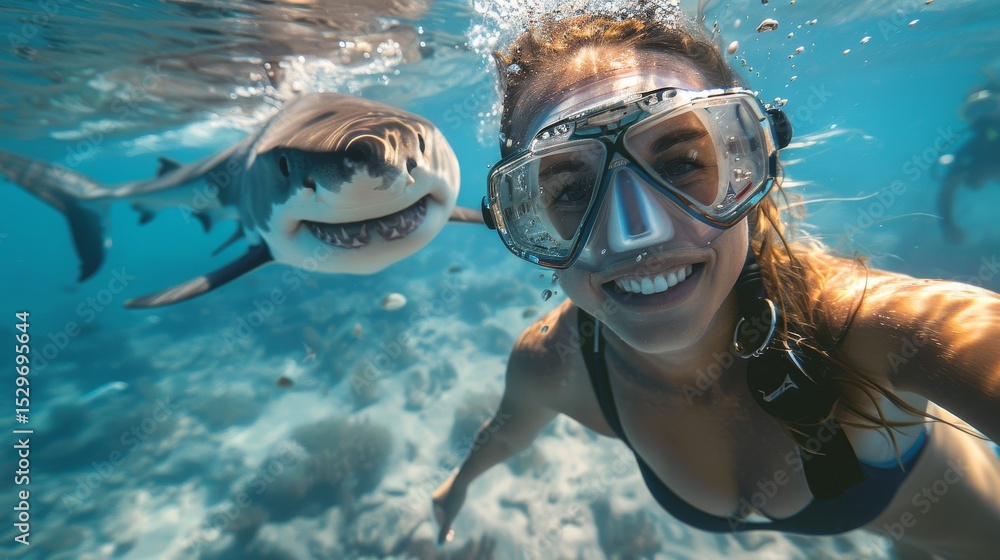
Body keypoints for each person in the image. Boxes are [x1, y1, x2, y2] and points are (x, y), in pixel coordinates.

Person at [432, 10, 1000, 559]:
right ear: (527, 221)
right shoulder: (551, 365)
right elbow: (507, 434)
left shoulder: (868, 328)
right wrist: (456, 484)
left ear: (749, 166)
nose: (637, 235)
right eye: (571, 191)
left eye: (680, 163)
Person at [938, 73, 1000, 243]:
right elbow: (948, 187)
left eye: (989, 105)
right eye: (976, 109)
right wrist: (948, 224)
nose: (984, 115)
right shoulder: (973, 148)